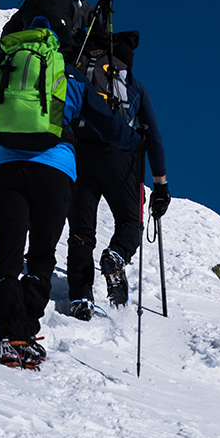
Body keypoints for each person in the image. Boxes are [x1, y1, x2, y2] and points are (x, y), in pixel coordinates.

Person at [0, 0, 127, 368]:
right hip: (55, 170)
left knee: (7, 253)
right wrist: (139, 138)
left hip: (3, 166)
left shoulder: (1, 65)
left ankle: (12, 333)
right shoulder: (69, 74)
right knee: (40, 253)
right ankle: (28, 328)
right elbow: (112, 129)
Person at [63, 26, 169, 319]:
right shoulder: (133, 85)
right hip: (121, 156)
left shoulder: (79, 73)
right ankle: (117, 254)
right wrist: (160, 185)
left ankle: (80, 296)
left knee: (81, 231)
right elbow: (154, 136)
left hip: (79, 152)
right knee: (129, 222)